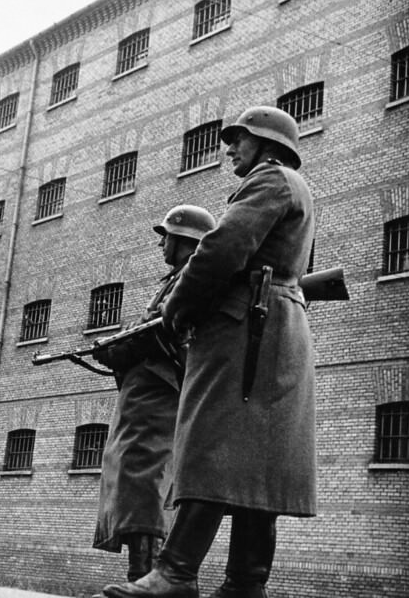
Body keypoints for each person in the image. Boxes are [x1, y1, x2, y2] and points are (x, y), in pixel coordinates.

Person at [101, 106, 316, 598]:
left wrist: (177, 308)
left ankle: (176, 573)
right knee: (256, 469)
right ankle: (244, 584)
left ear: (268, 145)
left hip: (247, 333)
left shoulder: (272, 181)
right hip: (274, 329)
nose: (230, 147)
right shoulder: (298, 189)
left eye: (241, 138)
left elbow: (221, 249)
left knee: (211, 449)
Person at [90, 205, 216, 594]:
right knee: (129, 480)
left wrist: (121, 344)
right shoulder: (175, 280)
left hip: (160, 396)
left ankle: (146, 580)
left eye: (168, 236)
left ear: (186, 243)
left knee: (143, 483)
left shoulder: (192, 282)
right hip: (142, 396)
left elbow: (167, 332)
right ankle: (141, 578)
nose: (162, 243)